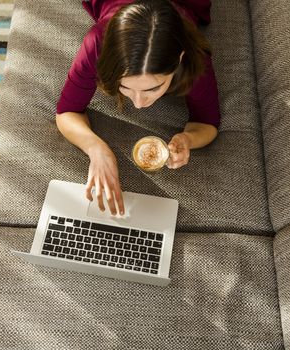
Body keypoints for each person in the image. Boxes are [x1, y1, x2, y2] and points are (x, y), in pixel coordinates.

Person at [56, 0, 221, 216]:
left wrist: (188, 139)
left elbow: (207, 122)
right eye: (125, 86)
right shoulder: (98, 43)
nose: (139, 104)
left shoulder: (193, 56)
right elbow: (66, 112)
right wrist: (97, 149)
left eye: (153, 88)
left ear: (180, 58)